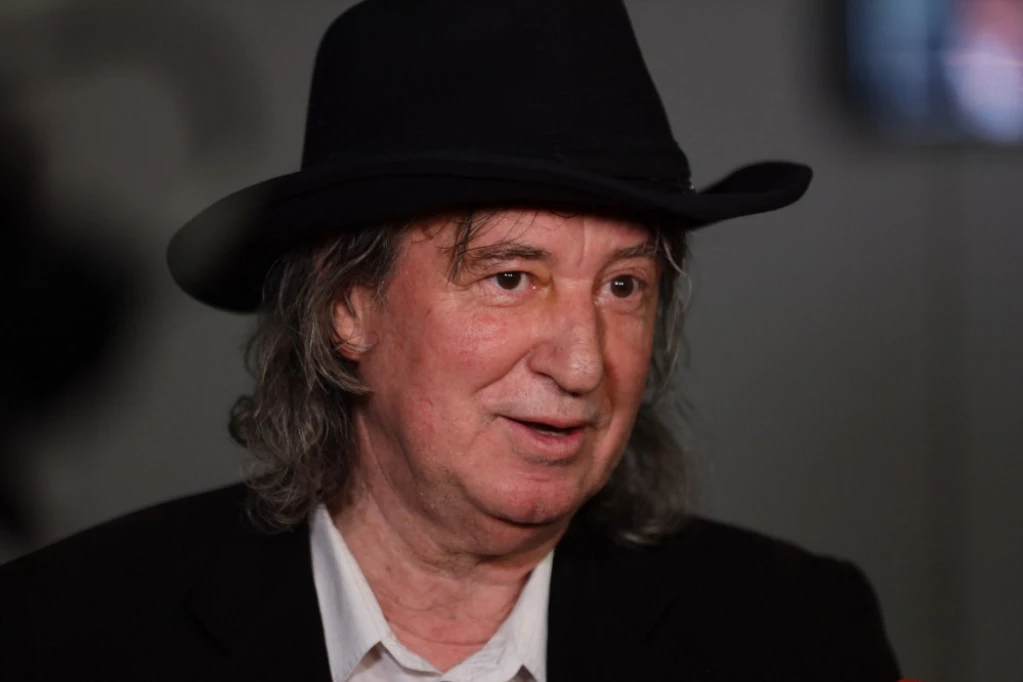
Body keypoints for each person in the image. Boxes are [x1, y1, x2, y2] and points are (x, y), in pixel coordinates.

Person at [0, 0, 902, 680]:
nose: (582, 363)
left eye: (623, 286)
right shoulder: (62, 637)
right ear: (348, 304)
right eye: (511, 277)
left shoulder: (797, 636)